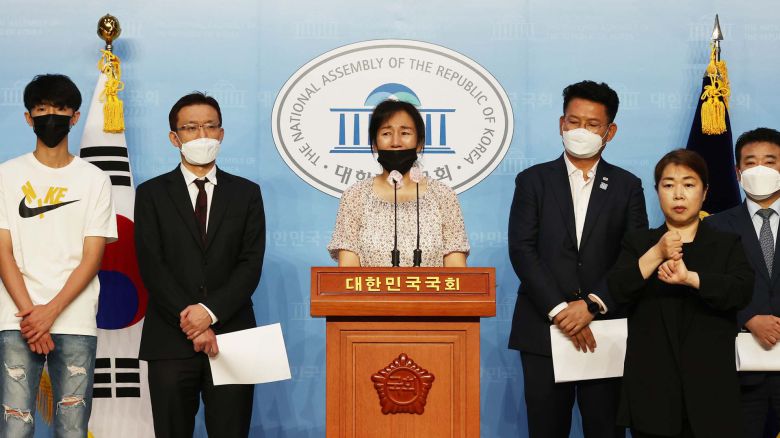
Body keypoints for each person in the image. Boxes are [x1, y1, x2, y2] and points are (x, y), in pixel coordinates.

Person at [508, 80, 647, 438]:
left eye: (592, 124)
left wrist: (592, 305)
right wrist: (560, 310)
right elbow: (522, 249)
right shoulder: (532, 180)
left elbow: (632, 256)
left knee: (606, 429)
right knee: (545, 429)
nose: (580, 131)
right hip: (543, 329)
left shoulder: (627, 186)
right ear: (561, 124)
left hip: (604, 329)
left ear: (610, 132)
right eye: (573, 121)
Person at [135, 92, 265, 437]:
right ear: (174, 138)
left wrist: (209, 313)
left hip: (233, 334)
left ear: (221, 133)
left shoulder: (246, 193)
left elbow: (250, 264)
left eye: (210, 126)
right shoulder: (151, 194)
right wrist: (193, 322)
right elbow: (152, 264)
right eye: (191, 128)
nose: (202, 135)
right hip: (169, 337)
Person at [0, 74, 117, 437]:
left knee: (72, 428)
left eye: (60, 109)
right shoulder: (6, 175)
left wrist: (50, 312)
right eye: (42, 109)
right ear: (28, 117)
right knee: (15, 426)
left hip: (75, 319)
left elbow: (92, 257)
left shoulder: (94, 179)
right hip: (17, 319)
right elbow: (3, 251)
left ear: (75, 117)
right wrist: (31, 316)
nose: (51, 117)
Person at [608, 149, 753, 438]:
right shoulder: (639, 242)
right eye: (668, 185)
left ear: (705, 192)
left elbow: (741, 291)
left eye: (688, 184)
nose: (678, 195)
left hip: (712, 395)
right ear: (657, 191)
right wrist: (656, 253)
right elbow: (618, 290)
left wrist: (691, 279)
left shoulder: (727, 243)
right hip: (652, 395)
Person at [327, 99, 469, 267]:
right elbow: (348, 272)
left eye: (405, 133)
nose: (395, 142)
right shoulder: (355, 196)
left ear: (419, 143)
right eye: (386, 133)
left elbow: (456, 270)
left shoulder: (443, 195)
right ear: (374, 144)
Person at [704, 127, 780, 438]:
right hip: (740, 372)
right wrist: (747, 317)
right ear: (737, 172)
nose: (760, 170)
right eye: (750, 162)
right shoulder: (714, 226)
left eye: (770, 161)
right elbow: (707, 289)